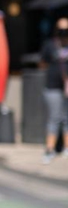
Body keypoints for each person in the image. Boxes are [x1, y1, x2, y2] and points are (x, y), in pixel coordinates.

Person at [39, 17, 68, 164]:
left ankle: (66, 149)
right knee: (54, 118)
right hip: (53, 87)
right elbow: (42, 63)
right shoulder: (50, 45)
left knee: (66, 118)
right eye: (61, 29)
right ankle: (49, 149)